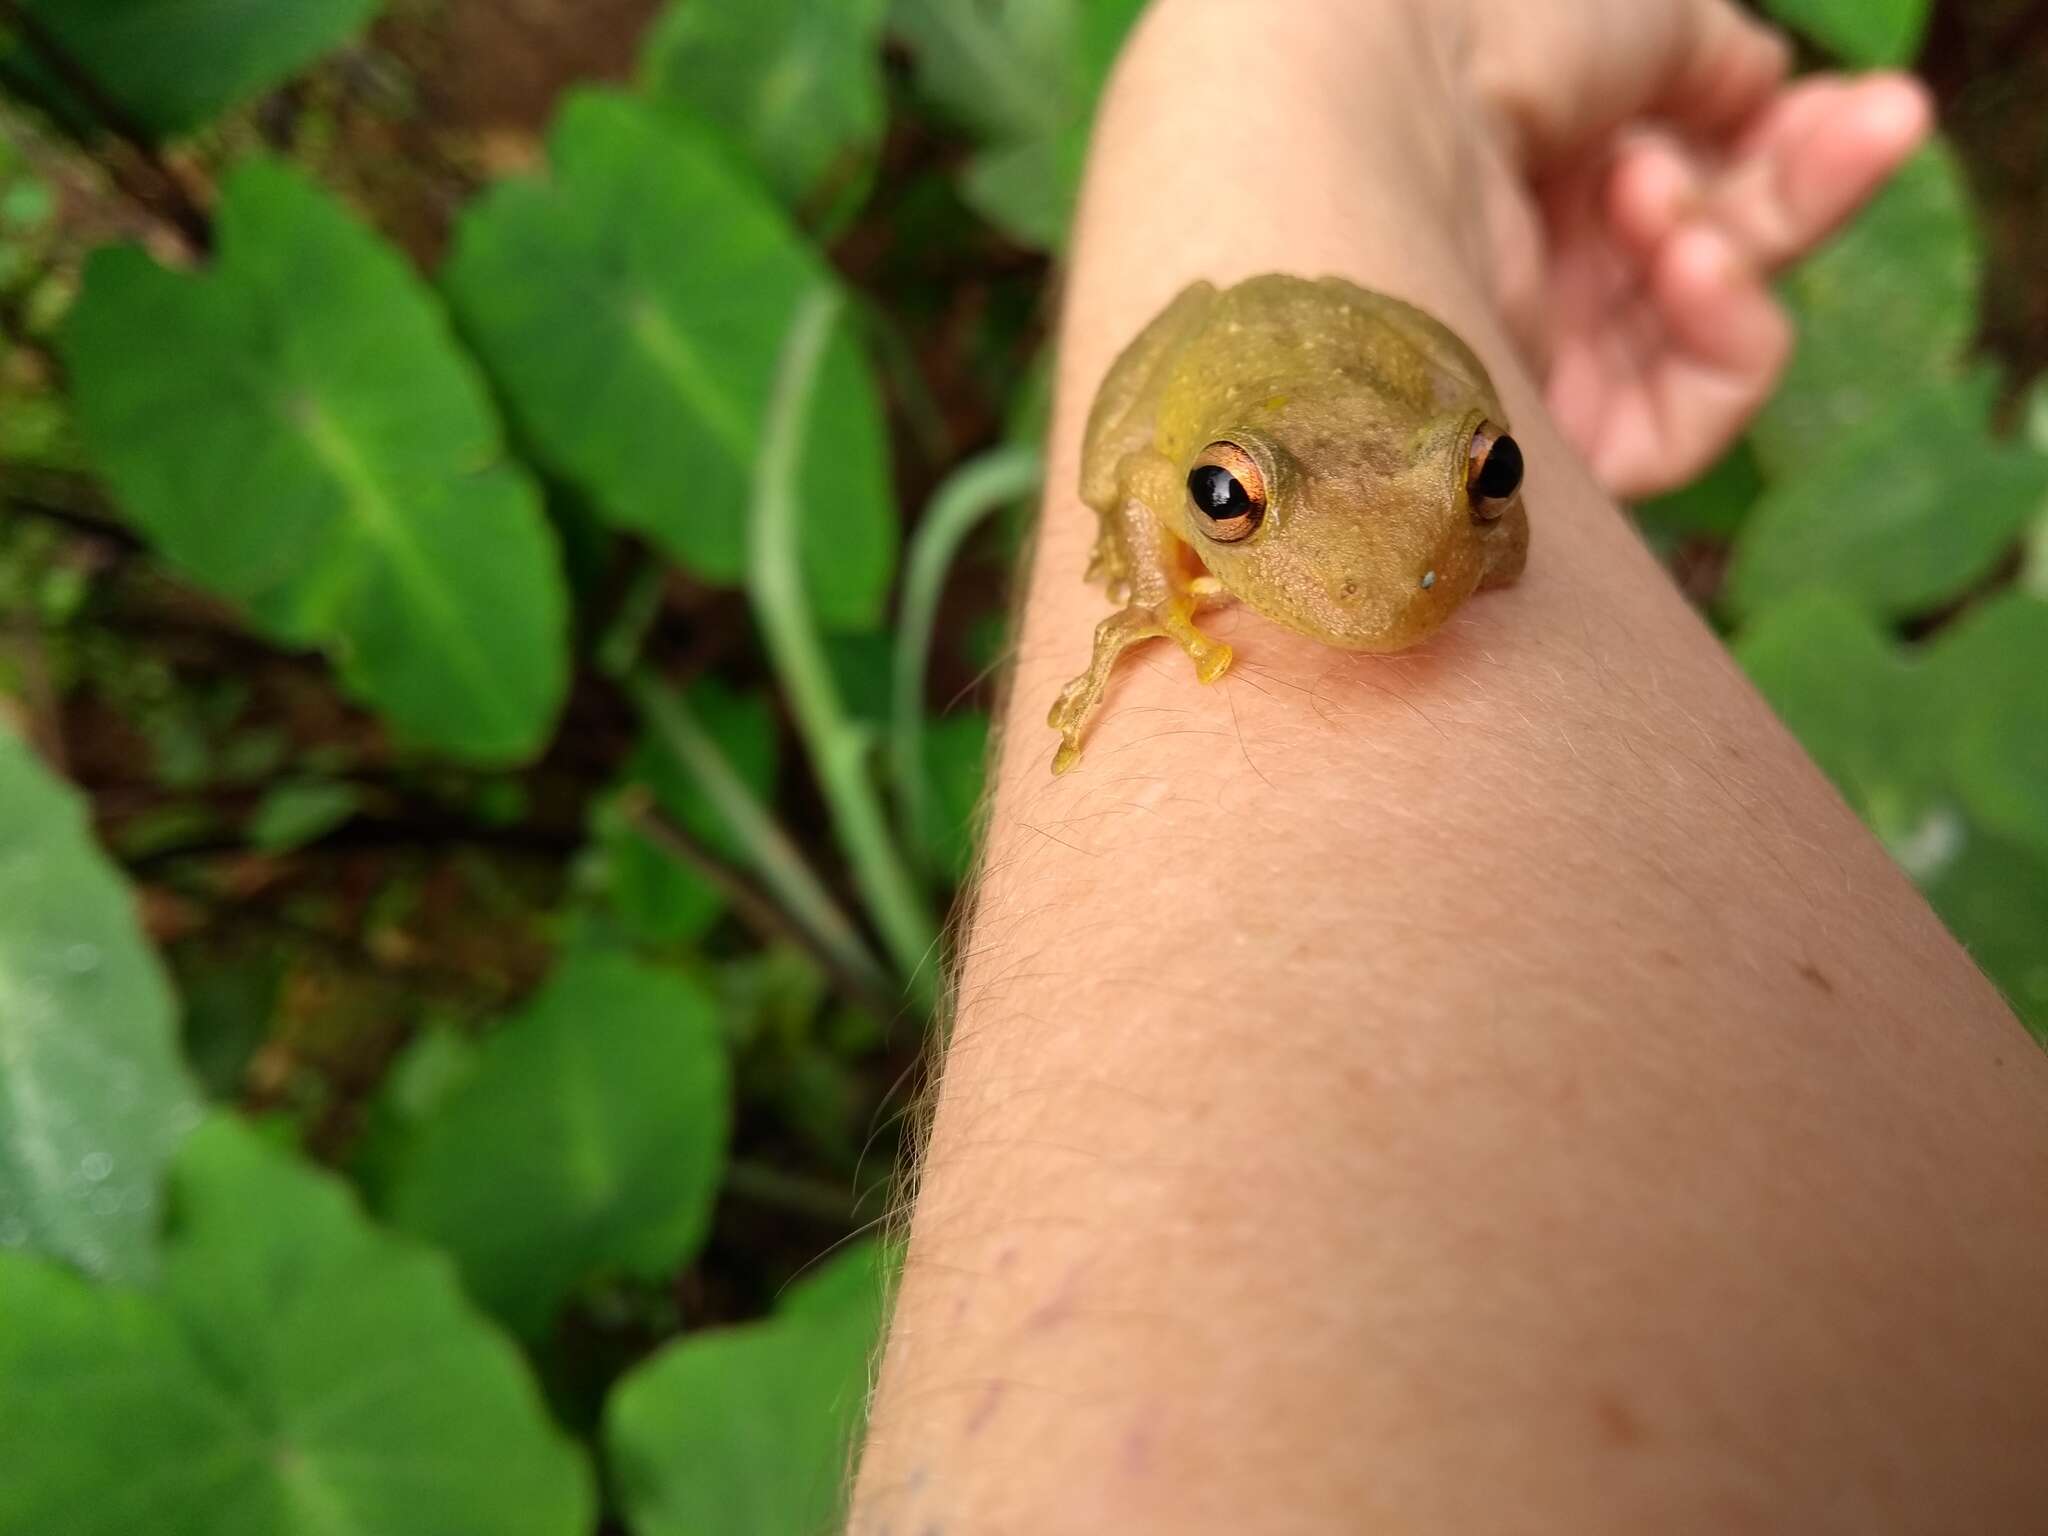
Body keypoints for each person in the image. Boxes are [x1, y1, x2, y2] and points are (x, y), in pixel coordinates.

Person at [851, 0, 2048, 1528]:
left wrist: (1310, 76)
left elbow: (1459, 491)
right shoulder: (1190, 468)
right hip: (1244, 357)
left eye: (1481, 486)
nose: (1392, 586)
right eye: (1232, 505)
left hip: (1370, 333)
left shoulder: (1446, 485)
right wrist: (1161, 561)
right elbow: (1156, 466)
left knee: (1426, 458)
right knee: (1185, 464)